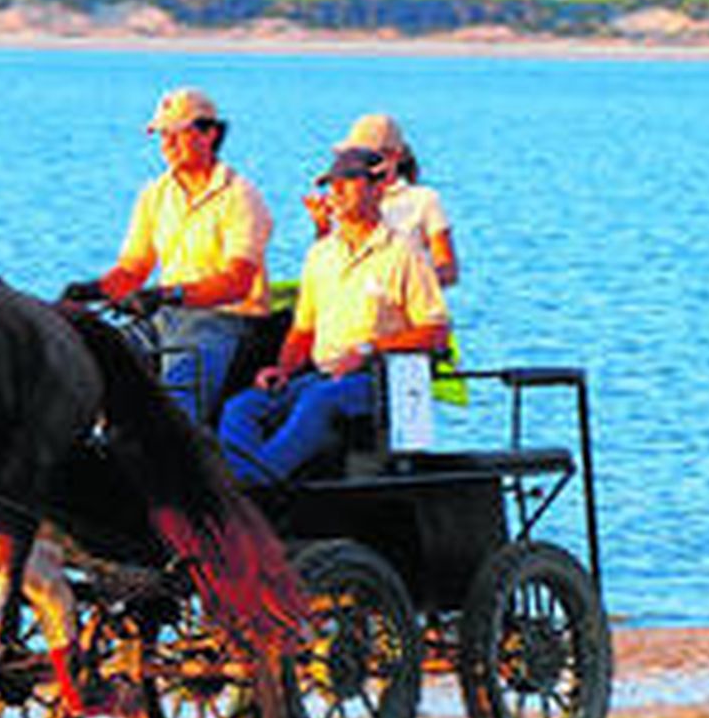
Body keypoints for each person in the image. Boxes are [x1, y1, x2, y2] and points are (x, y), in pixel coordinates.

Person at [218, 146, 450, 488]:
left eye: (348, 180)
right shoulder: (320, 255)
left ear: (378, 188)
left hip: (378, 380)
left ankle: (256, 483)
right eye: (331, 183)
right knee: (242, 407)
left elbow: (435, 332)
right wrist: (282, 370)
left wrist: (368, 350)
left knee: (319, 401)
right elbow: (303, 331)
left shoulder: (404, 252)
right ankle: (239, 482)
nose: (336, 191)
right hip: (324, 375)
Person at [63, 87, 273, 423]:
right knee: (94, 361)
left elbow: (238, 283)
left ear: (209, 134)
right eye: (163, 135)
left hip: (224, 321)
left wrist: (168, 294)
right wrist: (92, 291)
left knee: (179, 393)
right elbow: (133, 269)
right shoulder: (155, 195)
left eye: (177, 134)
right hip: (165, 317)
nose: (167, 144)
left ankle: (179, 445)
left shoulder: (241, 197)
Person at [304, 113, 459, 287]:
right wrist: (322, 227)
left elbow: (448, 269)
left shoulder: (423, 200)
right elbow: (330, 264)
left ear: (395, 156)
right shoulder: (345, 199)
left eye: (368, 156)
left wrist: (405, 281)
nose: (358, 163)